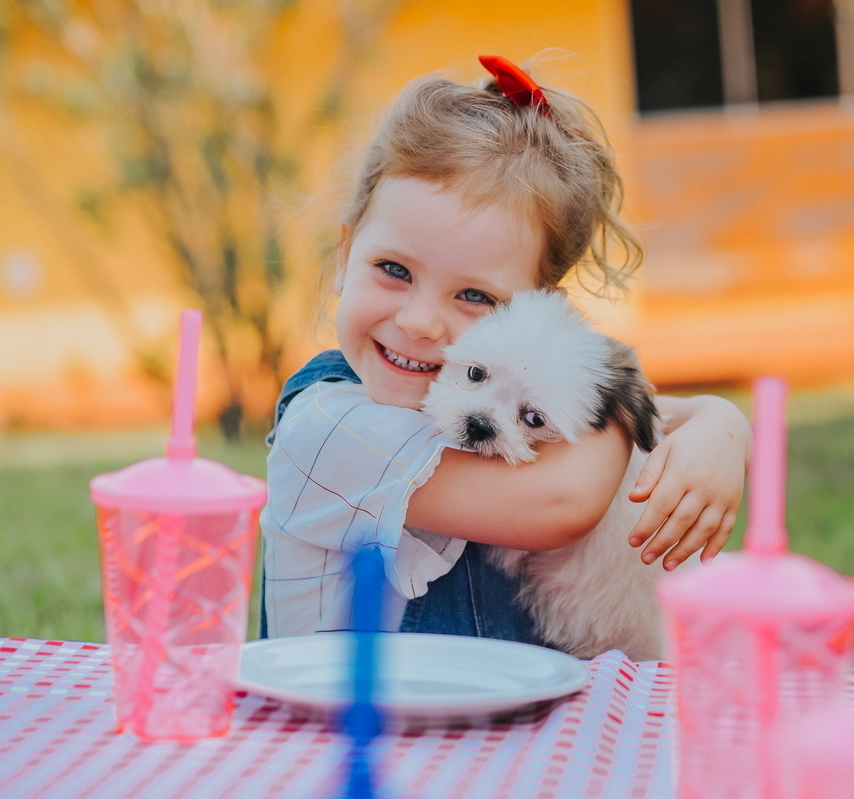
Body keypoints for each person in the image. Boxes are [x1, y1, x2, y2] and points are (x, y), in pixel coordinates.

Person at [260, 55, 751, 649]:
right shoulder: (326, 429)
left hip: (492, 732)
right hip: (344, 733)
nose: (419, 322)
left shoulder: (493, 390)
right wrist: (626, 402)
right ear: (344, 256)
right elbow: (566, 502)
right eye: (393, 269)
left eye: (474, 295)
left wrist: (722, 424)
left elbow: (656, 413)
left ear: (533, 316)